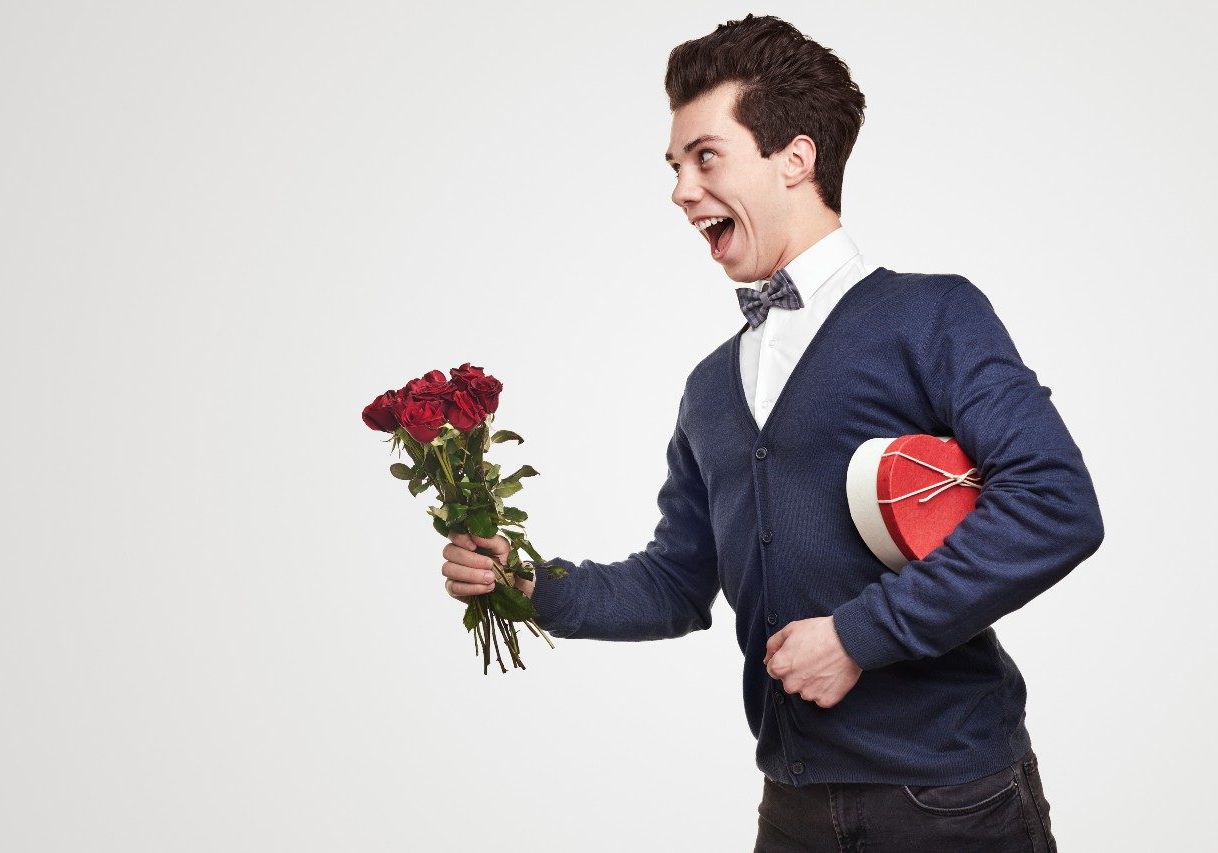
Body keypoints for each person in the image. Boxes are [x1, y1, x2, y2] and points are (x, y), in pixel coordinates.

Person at [440, 14, 1098, 852]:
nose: (680, 189)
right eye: (676, 166)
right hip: (791, 807)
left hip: (949, 801)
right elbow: (678, 583)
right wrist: (532, 584)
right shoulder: (709, 387)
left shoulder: (933, 314)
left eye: (705, 157)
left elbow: (1055, 502)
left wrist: (861, 635)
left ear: (795, 158)